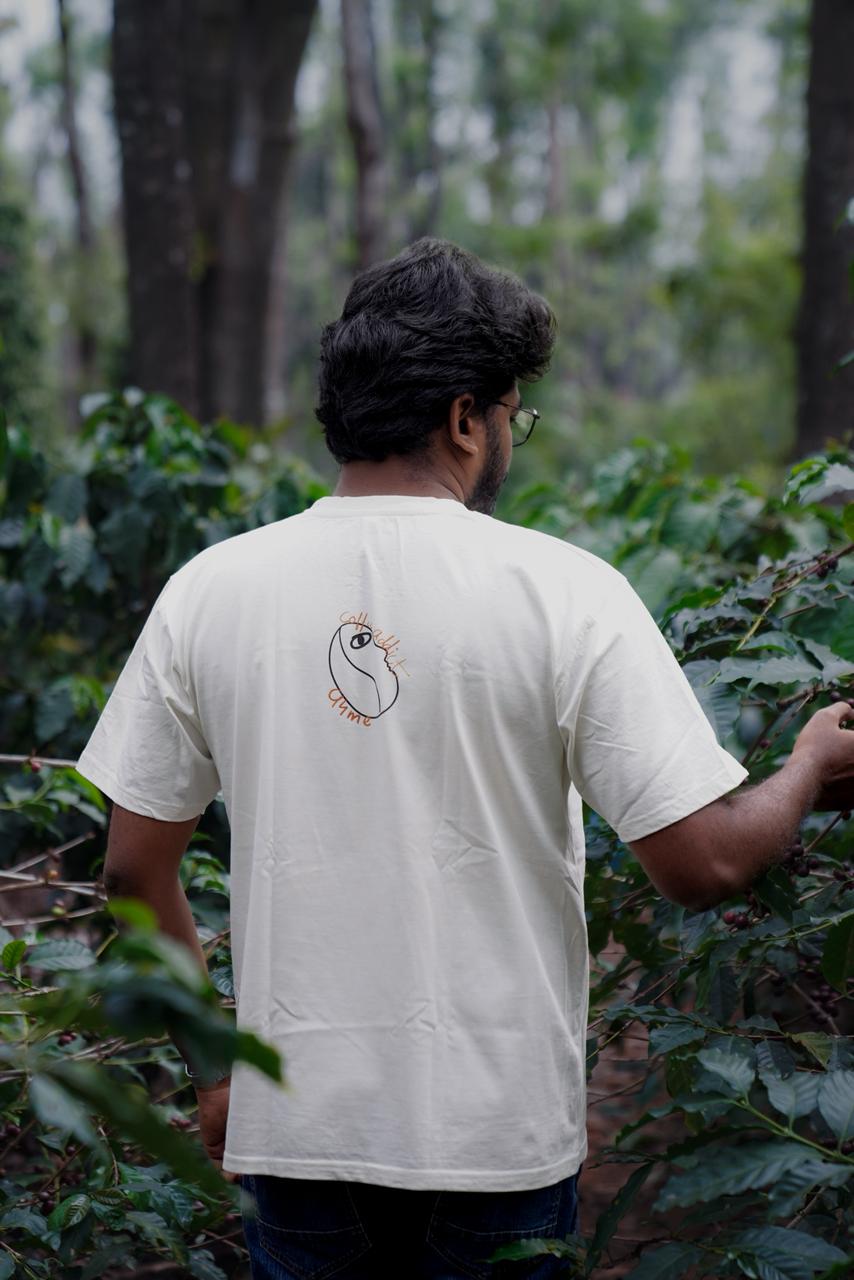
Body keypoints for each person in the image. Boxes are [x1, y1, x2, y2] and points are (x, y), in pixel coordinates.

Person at [75, 238, 854, 1279]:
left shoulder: (209, 592)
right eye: (510, 416)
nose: (506, 441)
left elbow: (133, 872)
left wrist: (220, 1074)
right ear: (462, 418)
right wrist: (807, 765)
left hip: (298, 1135)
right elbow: (703, 862)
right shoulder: (565, 591)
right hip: (494, 1140)